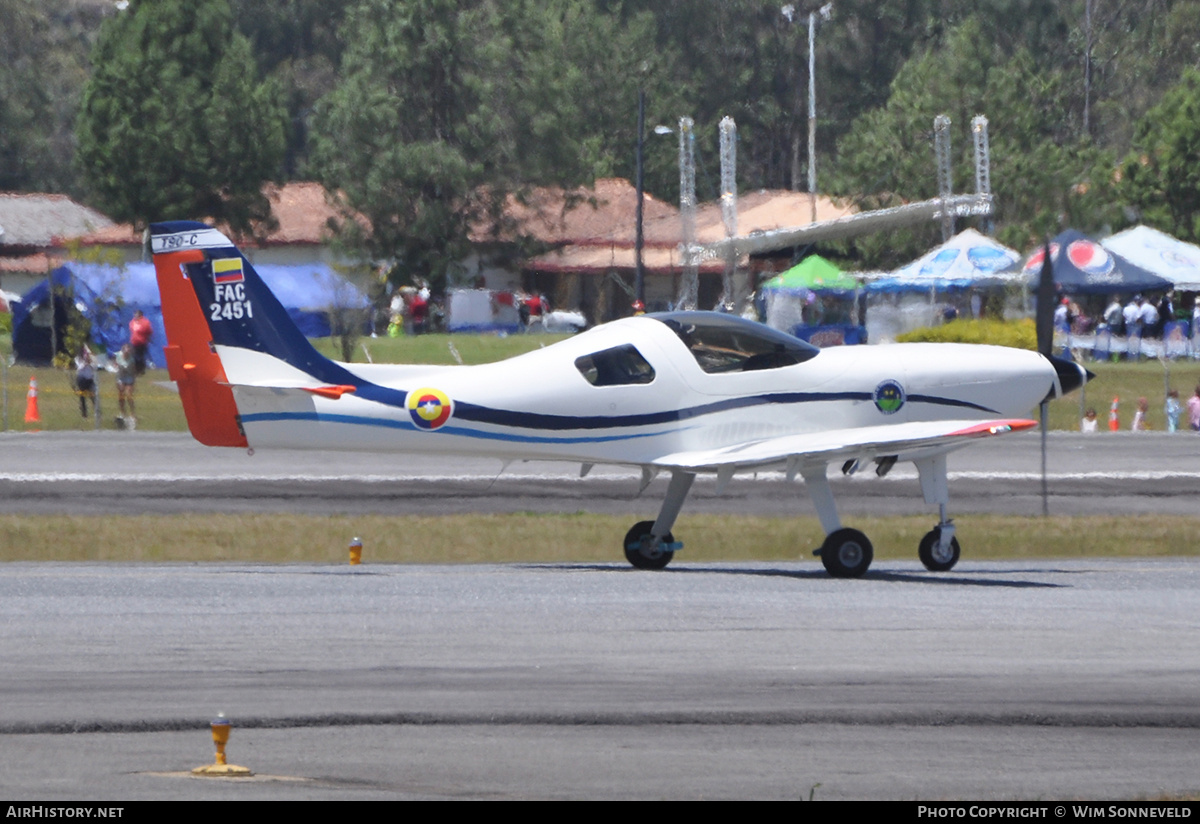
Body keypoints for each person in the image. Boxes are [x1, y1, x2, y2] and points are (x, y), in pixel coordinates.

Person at [115, 343, 137, 430]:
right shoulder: (119, 356)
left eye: (129, 351)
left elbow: (133, 371)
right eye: (126, 351)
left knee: (129, 395)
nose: (127, 353)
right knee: (121, 395)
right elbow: (116, 365)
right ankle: (122, 413)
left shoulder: (131, 360)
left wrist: (133, 379)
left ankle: (132, 414)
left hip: (129, 376)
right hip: (120, 376)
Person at [74, 343, 96, 419]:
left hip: (89, 379)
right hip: (81, 379)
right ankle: (84, 413)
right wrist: (85, 362)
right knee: (82, 397)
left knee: (93, 396)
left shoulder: (91, 359)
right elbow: (80, 368)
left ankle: (96, 412)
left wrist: (90, 361)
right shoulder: (78, 359)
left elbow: (94, 366)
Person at [128, 309, 153, 375]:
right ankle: (136, 370)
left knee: (140, 356)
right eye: (134, 314)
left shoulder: (145, 322)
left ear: (140, 315)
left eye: (136, 314)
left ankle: (141, 370)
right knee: (134, 356)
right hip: (134, 341)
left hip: (142, 342)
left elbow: (148, 331)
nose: (134, 316)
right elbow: (131, 329)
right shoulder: (132, 322)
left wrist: (146, 337)